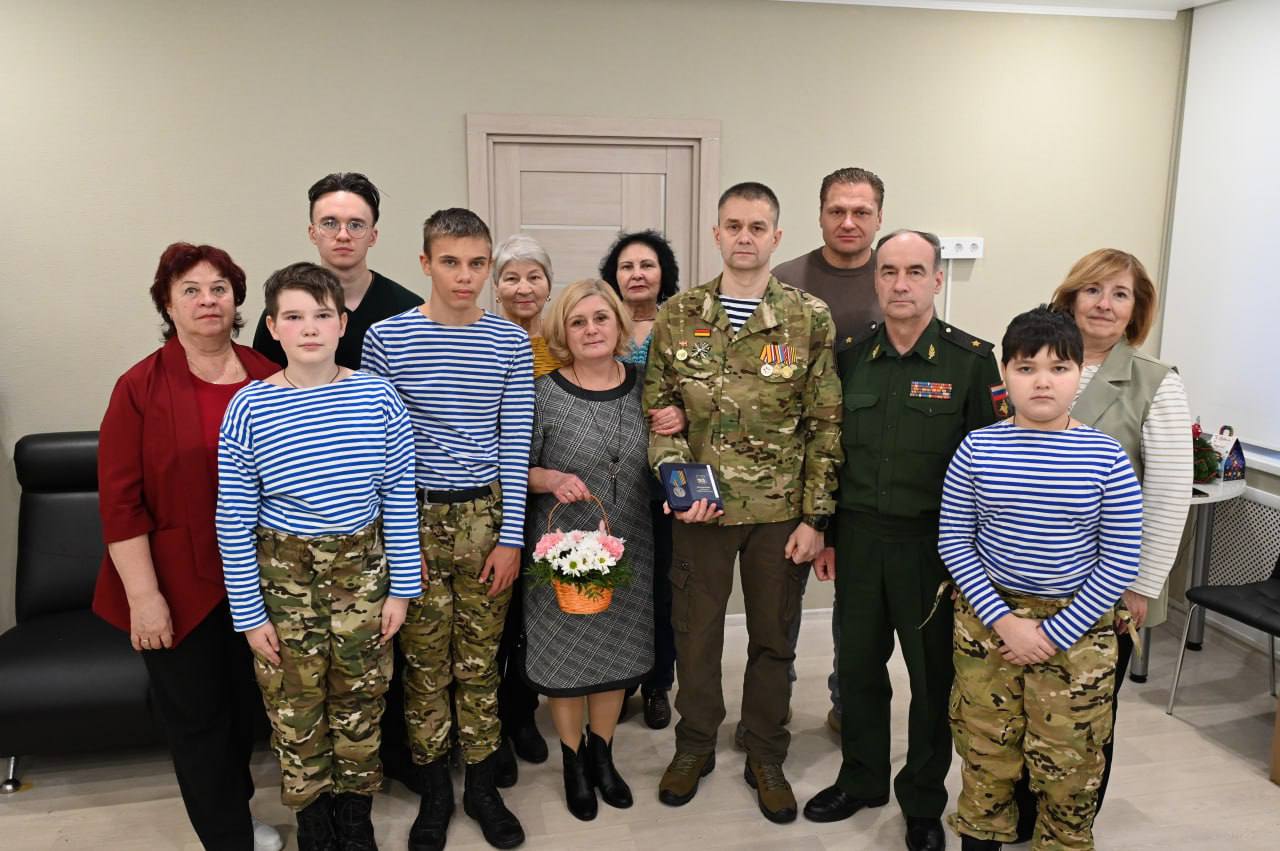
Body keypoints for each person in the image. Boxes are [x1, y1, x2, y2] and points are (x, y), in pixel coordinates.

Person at [645, 182, 841, 824]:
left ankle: (765, 750)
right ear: (717, 234)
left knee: (774, 640)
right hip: (700, 513)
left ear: (776, 237)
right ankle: (695, 744)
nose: (745, 237)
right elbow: (658, 411)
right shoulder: (680, 314)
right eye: (734, 226)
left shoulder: (807, 316)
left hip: (778, 513)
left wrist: (816, 518)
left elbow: (825, 423)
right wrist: (678, 486)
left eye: (758, 227)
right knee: (695, 636)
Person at [802, 230, 1001, 851]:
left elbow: (991, 466)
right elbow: (832, 451)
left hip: (934, 549)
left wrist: (976, 565)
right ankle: (861, 779)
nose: (901, 283)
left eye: (915, 271)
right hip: (860, 541)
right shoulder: (852, 356)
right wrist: (828, 534)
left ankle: (922, 800)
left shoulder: (971, 362)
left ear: (937, 279)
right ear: (876, 280)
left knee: (931, 681)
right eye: (889, 271)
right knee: (858, 671)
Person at [216, 262, 421, 851]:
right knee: (295, 706)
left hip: (363, 574)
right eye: (294, 316)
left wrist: (402, 590)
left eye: (322, 315)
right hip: (285, 581)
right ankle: (314, 821)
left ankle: (355, 817)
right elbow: (233, 520)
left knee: (360, 700)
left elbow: (398, 497)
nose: (309, 327)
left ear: (342, 323)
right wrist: (249, 614)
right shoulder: (248, 407)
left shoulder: (378, 397)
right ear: (273, 327)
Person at [94, 242, 282, 851]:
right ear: (168, 305)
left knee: (246, 711)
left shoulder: (268, 374)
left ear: (236, 301)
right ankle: (227, 838)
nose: (208, 300)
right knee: (198, 719)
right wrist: (143, 597)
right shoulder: (139, 387)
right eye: (191, 290)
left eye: (219, 288)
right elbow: (120, 503)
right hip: (175, 584)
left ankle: (236, 810)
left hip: (261, 580)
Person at [939, 306, 1143, 850]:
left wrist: (1051, 634)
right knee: (986, 756)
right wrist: (1005, 623)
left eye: (1059, 367)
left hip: (1077, 631)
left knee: (1069, 766)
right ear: (1005, 374)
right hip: (989, 625)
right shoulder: (977, 448)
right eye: (1026, 368)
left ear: (1079, 374)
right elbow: (955, 541)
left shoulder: (1106, 457)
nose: (1043, 381)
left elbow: (1120, 559)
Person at [1007, 249, 1194, 841]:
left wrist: (1141, 586)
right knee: (1020, 708)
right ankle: (1020, 814)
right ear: (1070, 297)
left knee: (1083, 720)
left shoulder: (1155, 382)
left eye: (1120, 294)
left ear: (1137, 309)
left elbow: (1167, 495)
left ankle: (1068, 822)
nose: (1105, 304)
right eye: (1092, 290)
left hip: (1106, 590)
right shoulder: (1033, 362)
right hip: (1024, 587)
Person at [362, 208, 533, 851]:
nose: (465, 276)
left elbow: (514, 442)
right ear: (425, 263)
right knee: (425, 665)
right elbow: (379, 446)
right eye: (451, 262)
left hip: (486, 515)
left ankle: (482, 789)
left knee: (481, 664)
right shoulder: (387, 338)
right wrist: (402, 543)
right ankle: (435, 792)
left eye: (477, 263)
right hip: (415, 514)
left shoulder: (509, 342)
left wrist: (511, 539)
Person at [524, 278, 655, 821]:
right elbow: (515, 469)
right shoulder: (542, 393)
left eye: (601, 318)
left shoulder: (647, 388)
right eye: (577, 322)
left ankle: (603, 756)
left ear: (619, 325)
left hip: (630, 548)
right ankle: (573, 761)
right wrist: (551, 478)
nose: (591, 330)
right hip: (561, 553)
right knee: (565, 660)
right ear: (563, 333)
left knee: (615, 655)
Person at [772, 166, 887, 735]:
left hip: (869, 463)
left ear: (879, 218)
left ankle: (848, 704)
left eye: (861, 212)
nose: (848, 221)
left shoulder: (894, 279)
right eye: (837, 210)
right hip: (796, 465)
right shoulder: (785, 280)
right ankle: (774, 703)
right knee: (781, 599)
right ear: (819, 214)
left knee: (858, 603)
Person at [599, 229, 682, 730]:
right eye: (626, 266)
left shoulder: (680, 324)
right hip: (608, 475)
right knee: (616, 581)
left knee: (663, 589)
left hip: (663, 480)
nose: (636, 275)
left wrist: (684, 416)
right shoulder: (599, 322)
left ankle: (657, 684)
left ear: (662, 273)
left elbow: (703, 393)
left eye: (646, 265)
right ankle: (618, 677)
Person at [489, 233, 556, 778]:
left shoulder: (562, 346)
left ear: (549, 285)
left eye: (534, 276)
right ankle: (490, 722)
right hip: (498, 499)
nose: (523, 287)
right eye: (511, 277)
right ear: (496, 287)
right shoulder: (484, 344)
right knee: (496, 618)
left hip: (552, 501)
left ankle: (523, 711)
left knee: (535, 617)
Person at [252, 172, 422, 369]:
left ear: (373, 236)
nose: (343, 235)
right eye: (329, 223)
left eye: (356, 225)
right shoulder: (285, 311)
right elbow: (267, 381)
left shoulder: (409, 311)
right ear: (312, 233)